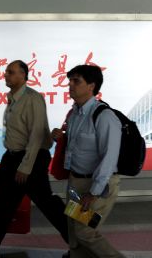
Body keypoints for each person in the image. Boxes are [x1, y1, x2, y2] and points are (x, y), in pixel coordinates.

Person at [0, 60, 69, 257]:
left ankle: (78, 243)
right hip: (12, 157)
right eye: (6, 72)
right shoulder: (13, 98)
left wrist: (26, 166)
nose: (6, 75)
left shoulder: (32, 99)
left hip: (32, 158)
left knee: (47, 203)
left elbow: (37, 134)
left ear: (23, 75)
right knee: (0, 201)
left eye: (10, 72)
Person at [51, 65, 125, 258]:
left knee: (86, 232)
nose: (70, 85)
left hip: (98, 185)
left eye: (77, 81)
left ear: (91, 86)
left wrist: (94, 192)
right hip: (76, 183)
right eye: (70, 80)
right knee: (74, 235)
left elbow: (109, 157)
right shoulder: (75, 114)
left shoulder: (105, 116)